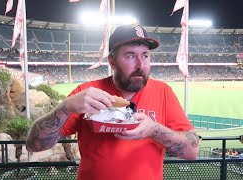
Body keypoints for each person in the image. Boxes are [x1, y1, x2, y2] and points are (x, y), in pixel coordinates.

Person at [26, 24, 200, 180]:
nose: (140, 64)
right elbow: (34, 144)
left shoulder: (163, 92)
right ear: (112, 61)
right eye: (131, 56)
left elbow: (192, 151)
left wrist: (154, 129)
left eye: (145, 56)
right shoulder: (86, 93)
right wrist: (65, 107)